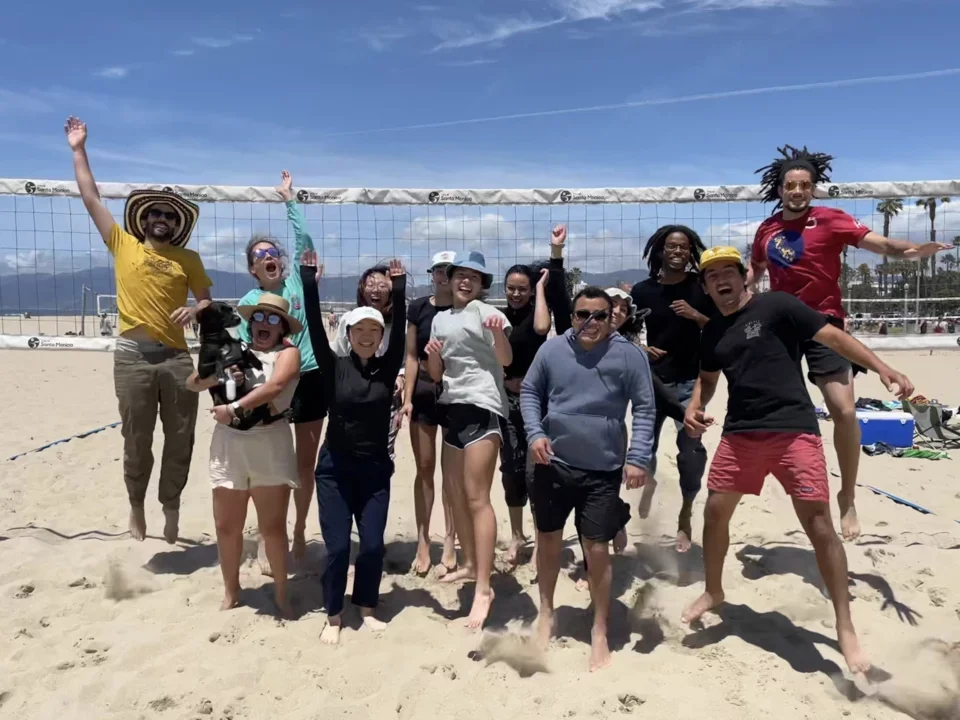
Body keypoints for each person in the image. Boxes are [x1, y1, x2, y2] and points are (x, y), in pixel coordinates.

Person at [681, 246, 914, 675]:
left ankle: (845, 626)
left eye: (726, 272)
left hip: (794, 431)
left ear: (742, 276)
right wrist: (695, 406)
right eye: (711, 276)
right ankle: (713, 591)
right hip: (740, 434)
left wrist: (883, 368)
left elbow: (835, 338)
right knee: (714, 514)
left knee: (819, 527)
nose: (720, 280)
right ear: (706, 286)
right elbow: (707, 379)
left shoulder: (779, 306)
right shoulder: (713, 331)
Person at [748, 145, 948, 541]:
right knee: (774, 411)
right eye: (791, 185)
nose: (798, 190)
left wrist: (909, 251)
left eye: (805, 184)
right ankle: (790, 482)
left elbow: (879, 244)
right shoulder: (767, 230)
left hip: (825, 323)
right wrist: (744, 297)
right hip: (781, 324)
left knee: (844, 412)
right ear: (781, 188)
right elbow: (754, 270)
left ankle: (848, 496)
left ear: (813, 188)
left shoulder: (831, 219)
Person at [65, 116, 212, 544]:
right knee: (137, 438)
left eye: (168, 214)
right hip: (131, 357)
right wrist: (79, 149)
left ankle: (171, 505)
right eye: (155, 214)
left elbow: (206, 301)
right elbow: (90, 197)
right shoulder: (122, 243)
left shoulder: (189, 260)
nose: (161, 219)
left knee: (180, 437)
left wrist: (196, 308)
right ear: (144, 220)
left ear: (176, 223)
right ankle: (135, 504)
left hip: (177, 358)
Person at [521, 286, 656, 671]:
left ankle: (599, 628)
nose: (591, 322)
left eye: (600, 315)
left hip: (604, 467)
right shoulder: (552, 350)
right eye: (583, 315)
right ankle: (546, 612)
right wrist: (535, 433)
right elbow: (530, 391)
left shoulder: (629, 356)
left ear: (613, 316)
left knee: (597, 549)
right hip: (552, 462)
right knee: (547, 540)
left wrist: (638, 458)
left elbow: (645, 408)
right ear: (573, 315)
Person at [300, 251, 407, 645]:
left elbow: (402, 331)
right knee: (338, 546)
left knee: (374, 545)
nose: (366, 336)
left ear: (380, 338)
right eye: (359, 330)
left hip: (376, 470)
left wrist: (399, 286)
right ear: (348, 334)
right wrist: (309, 281)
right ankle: (333, 614)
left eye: (373, 332)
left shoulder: (386, 366)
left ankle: (366, 605)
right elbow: (313, 325)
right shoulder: (334, 367)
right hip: (335, 470)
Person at [186, 294, 301, 616]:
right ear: (249, 323)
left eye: (273, 319)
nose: (264, 324)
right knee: (225, 526)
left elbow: (276, 386)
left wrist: (234, 406)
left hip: (270, 444)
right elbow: (193, 384)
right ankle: (231, 591)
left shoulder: (288, 353)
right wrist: (216, 369)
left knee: (273, 529)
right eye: (259, 318)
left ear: (282, 328)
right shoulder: (233, 350)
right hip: (228, 444)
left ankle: (281, 592)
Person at [237, 171, 324, 572]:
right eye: (259, 255)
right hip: (270, 387)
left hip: (308, 379)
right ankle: (269, 534)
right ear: (252, 268)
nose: (267, 257)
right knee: (269, 468)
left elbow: (305, 244)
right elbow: (243, 352)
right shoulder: (249, 302)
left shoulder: (297, 287)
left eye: (272, 252)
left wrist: (290, 200)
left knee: (305, 465)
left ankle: (301, 530)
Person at [425, 251, 512, 629]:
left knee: (478, 498)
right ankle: (471, 564)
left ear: (482, 284)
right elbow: (436, 372)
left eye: (473, 277)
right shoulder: (441, 319)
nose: (465, 281)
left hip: (483, 406)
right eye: (459, 275)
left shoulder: (485, 313)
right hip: (453, 407)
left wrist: (495, 334)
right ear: (448, 278)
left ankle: (484, 587)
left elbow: (506, 360)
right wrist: (431, 357)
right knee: (455, 494)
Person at [630, 225, 713, 552]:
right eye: (671, 247)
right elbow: (626, 333)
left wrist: (696, 316)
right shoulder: (642, 290)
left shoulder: (702, 288)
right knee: (644, 450)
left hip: (691, 383)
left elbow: (722, 329)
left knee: (690, 450)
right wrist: (641, 348)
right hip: (651, 382)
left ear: (691, 251)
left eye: (684, 247)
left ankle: (685, 514)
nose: (677, 252)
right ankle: (649, 485)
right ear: (660, 251)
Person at [498, 225, 572, 567]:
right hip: (504, 401)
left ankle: (543, 537)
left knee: (537, 472)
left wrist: (543, 285)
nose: (515, 294)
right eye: (511, 288)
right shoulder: (497, 317)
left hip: (537, 402)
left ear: (531, 291)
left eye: (522, 289)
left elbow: (543, 328)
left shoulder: (535, 312)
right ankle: (516, 535)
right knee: (511, 472)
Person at [399, 251, 459, 576]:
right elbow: (410, 355)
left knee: (451, 472)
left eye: (451, 269)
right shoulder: (419, 307)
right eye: (439, 269)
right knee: (424, 468)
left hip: (453, 390)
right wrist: (407, 397)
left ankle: (450, 539)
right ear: (432, 273)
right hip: (422, 386)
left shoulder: (464, 308)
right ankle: (423, 540)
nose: (445, 275)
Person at [333, 263, 406, 460]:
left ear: (391, 291)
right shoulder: (348, 320)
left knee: (383, 452)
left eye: (383, 286)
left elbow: (406, 359)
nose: (376, 290)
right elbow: (338, 354)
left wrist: (401, 376)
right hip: (351, 392)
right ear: (361, 289)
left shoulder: (399, 324)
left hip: (387, 393)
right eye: (370, 285)